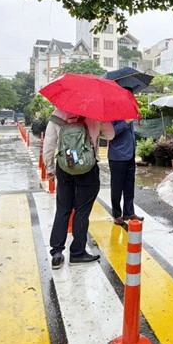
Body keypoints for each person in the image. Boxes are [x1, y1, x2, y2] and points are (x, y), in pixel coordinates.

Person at [43, 109, 115, 268]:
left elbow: (49, 144)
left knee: (63, 208)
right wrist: (96, 131)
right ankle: (77, 253)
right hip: (87, 168)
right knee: (82, 210)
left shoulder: (57, 114)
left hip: (64, 167)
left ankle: (56, 252)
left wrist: (49, 168)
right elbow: (110, 135)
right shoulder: (95, 112)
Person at [109, 116, 143, 226]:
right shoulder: (111, 113)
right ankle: (117, 214)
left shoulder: (127, 110)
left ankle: (129, 212)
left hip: (130, 154)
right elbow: (110, 133)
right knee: (117, 187)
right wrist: (125, 122)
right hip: (117, 156)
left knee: (129, 186)